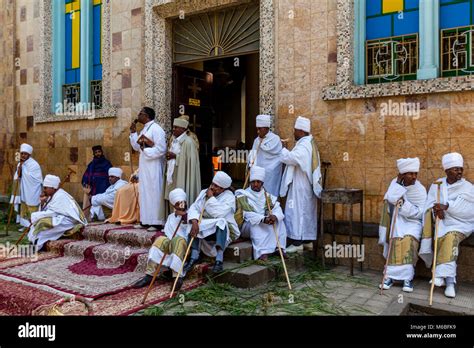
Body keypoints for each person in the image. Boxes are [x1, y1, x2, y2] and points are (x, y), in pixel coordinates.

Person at [420, 152, 474, 298]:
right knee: (440, 237)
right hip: (442, 222)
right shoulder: (438, 185)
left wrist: (448, 207)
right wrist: (435, 211)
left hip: (461, 225)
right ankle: (450, 281)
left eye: (460, 169)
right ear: (447, 170)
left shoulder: (468, 187)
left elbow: (469, 211)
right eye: (456, 169)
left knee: (450, 237)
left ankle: (442, 277)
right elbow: (428, 205)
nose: (460, 172)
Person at [378, 158, 427, 293]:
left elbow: (421, 212)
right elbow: (390, 199)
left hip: (413, 222)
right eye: (410, 173)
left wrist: (404, 206)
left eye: (415, 173)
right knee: (395, 239)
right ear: (402, 175)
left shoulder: (420, 189)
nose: (414, 177)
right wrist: (398, 185)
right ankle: (390, 277)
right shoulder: (395, 184)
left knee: (408, 240)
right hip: (397, 220)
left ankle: (407, 278)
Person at [183, 171, 240, 274]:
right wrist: (195, 222)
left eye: (216, 186)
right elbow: (194, 207)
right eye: (212, 184)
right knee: (192, 224)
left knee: (221, 222)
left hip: (225, 228)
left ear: (223, 189)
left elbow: (218, 213)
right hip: (206, 224)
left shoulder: (229, 197)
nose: (212, 187)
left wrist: (210, 198)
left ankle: (219, 261)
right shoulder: (204, 192)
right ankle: (194, 257)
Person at [280, 116, 322, 253]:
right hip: (303, 185)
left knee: (298, 212)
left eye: (295, 130)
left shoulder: (305, 145)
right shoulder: (307, 143)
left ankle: (298, 242)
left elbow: (292, 158)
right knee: (305, 213)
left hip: (301, 186)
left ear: (302, 131)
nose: (293, 133)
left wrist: (283, 149)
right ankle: (307, 241)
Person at [133, 188, 189, 291]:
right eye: (178, 203)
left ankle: (177, 277)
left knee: (178, 241)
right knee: (160, 240)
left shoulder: (191, 214)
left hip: (184, 245)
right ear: (173, 205)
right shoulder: (171, 217)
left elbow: (191, 226)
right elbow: (168, 232)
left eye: (183, 202)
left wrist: (184, 215)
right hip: (170, 242)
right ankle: (149, 275)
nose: (181, 205)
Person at [235, 166, 286, 261]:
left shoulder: (268, 196)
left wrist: (274, 216)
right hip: (248, 226)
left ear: (262, 183)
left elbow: (277, 209)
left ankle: (279, 248)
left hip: (266, 222)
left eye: (258, 182)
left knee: (280, 222)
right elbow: (247, 213)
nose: (255, 184)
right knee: (256, 225)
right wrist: (263, 219)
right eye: (253, 182)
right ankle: (261, 252)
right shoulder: (243, 195)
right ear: (250, 182)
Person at [129, 107, 167, 231]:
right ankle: (145, 221)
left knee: (154, 192)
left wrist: (146, 150)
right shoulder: (145, 129)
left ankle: (156, 222)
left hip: (154, 166)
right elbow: (136, 147)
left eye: (141, 113)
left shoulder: (157, 129)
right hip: (145, 167)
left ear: (147, 116)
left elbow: (161, 149)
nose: (138, 115)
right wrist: (133, 133)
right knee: (144, 192)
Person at [28, 175, 87, 251]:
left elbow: (52, 213)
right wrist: (42, 203)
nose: (44, 190)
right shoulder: (53, 195)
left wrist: (35, 217)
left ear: (53, 188)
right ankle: (36, 242)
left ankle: (37, 244)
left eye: (46, 188)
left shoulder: (60, 196)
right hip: (60, 217)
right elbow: (47, 211)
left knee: (42, 223)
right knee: (40, 224)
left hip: (69, 220)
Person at [160, 117, 201, 219]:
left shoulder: (189, 142)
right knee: (171, 196)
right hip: (172, 174)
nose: (173, 129)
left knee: (180, 197)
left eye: (176, 127)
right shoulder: (173, 140)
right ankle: (171, 219)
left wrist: (175, 157)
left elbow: (191, 162)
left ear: (183, 129)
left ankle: (181, 220)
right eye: (173, 127)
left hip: (182, 175)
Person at [247, 115, 283, 196]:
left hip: (272, 174)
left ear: (266, 128)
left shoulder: (275, 139)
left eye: (260, 129)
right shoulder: (256, 140)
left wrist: (270, 169)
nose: (258, 131)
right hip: (259, 174)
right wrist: (251, 165)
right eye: (257, 129)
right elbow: (253, 154)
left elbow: (279, 156)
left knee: (270, 194)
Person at [10, 143, 43, 230]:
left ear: (29, 154)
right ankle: (26, 225)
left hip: (33, 190)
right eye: (22, 153)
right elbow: (18, 176)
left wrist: (23, 170)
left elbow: (37, 179)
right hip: (24, 189)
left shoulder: (34, 164)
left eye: (25, 154)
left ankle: (32, 225)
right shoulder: (20, 164)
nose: (23, 155)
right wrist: (20, 168)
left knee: (32, 205)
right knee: (24, 206)